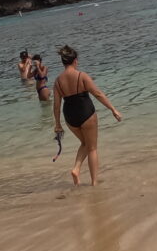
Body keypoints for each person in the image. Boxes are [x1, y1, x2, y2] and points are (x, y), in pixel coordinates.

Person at [52, 45, 121, 186]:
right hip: (86, 113)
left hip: (70, 116)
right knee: (92, 148)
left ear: (63, 62)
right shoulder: (81, 76)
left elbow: (56, 105)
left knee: (84, 143)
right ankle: (94, 183)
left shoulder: (58, 81)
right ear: (75, 61)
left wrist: (58, 124)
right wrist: (113, 109)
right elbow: (98, 94)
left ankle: (76, 169)